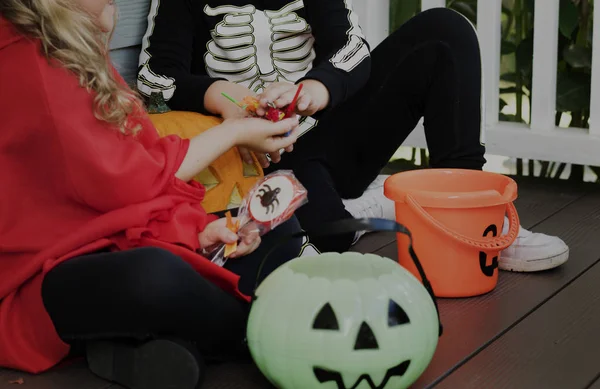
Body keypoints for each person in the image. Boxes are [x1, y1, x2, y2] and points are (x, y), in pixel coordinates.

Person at [0, 1, 308, 388]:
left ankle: (140, 345)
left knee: (277, 227)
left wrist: (198, 231)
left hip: (109, 240)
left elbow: (113, 189)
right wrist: (234, 131)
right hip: (40, 281)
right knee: (153, 278)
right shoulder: (32, 59)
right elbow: (127, 181)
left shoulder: (70, 48)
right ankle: (263, 336)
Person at [136, 0, 569, 272]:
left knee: (444, 32)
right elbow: (155, 76)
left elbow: (351, 48)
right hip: (250, 162)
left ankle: (475, 219)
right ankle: (356, 202)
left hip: (323, 129)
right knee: (328, 236)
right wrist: (220, 97)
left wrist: (314, 90)